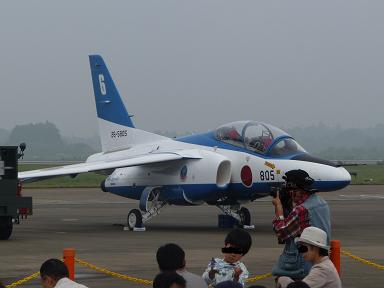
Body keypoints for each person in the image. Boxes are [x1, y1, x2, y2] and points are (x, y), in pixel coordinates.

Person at [272, 169, 331, 279]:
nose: (288, 193)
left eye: (290, 190)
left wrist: (279, 209)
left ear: (298, 190)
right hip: (321, 258)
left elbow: (282, 233)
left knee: (280, 279)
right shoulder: (322, 203)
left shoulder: (301, 210)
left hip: (302, 264)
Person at [277, 227, 342, 288]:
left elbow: (301, 287)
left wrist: (285, 281)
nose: (300, 252)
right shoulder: (324, 265)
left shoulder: (322, 269)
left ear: (315, 248)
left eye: (303, 248)